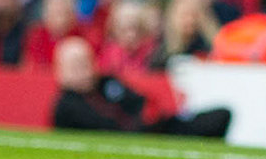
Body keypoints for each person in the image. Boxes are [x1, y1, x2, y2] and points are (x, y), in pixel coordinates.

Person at [49, 35, 230, 138]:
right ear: (61, 71)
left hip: (158, 128)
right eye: (75, 66)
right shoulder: (66, 106)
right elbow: (106, 129)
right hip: (142, 135)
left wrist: (149, 116)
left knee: (221, 115)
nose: (84, 71)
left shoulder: (107, 83)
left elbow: (140, 101)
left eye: (86, 63)